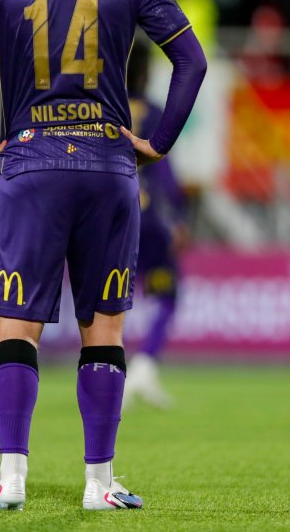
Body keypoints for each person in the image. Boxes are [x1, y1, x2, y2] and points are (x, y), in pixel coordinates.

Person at [0, 0, 207, 512]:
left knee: (17, 326)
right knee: (104, 330)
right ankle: (99, 484)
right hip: (106, 166)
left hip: (30, 163)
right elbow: (192, 63)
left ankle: (11, 477)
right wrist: (157, 142)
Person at [122, 40, 190, 410]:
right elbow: (164, 172)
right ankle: (144, 367)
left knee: (106, 300)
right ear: (147, 73)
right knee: (167, 294)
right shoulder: (152, 112)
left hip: (109, 216)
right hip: (148, 219)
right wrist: (178, 218)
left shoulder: (101, 108)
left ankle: (110, 381)